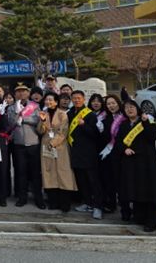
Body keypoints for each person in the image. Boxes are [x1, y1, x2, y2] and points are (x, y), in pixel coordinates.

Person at [114, 100, 156, 232]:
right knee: (136, 190)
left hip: (147, 162)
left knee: (150, 191)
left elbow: (154, 136)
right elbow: (119, 141)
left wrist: (146, 122)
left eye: (132, 107)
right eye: (126, 108)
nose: (129, 109)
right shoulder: (124, 124)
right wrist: (124, 149)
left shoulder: (146, 120)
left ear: (137, 108)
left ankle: (151, 221)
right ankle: (140, 216)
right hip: (131, 163)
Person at [37, 92, 77, 212]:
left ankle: (65, 203)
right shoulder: (43, 113)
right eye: (46, 100)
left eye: (51, 100)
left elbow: (63, 132)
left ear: (56, 101)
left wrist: (53, 143)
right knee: (49, 173)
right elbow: (40, 131)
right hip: (46, 146)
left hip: (60, 147)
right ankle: (53, 202)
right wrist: (42, 121)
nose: (48, 102)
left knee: (63, 173)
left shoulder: (62, 114)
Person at [7, 84, 46, 209]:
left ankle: (38, 198)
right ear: (15, 94)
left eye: (24, 91)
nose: (21, 94)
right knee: (21, 172)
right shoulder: (11, 108)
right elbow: (11, 122)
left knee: (35, 173)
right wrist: (18, 114)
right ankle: (22, 198)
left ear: (28, 93)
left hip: (33, 143)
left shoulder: (35, 106)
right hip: (19, 144)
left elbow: (37, 120)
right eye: (18, 92)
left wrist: (23, 117)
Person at [68, 90, 104, 220]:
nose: (76, 100)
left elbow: (95, 134)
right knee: (82, 181)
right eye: (74, 98)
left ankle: (98, 206)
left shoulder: (90, 114)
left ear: (83, 99)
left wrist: (83, 125)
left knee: (93, 181)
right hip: (75, 152)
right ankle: (87, 203)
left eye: (79, 98)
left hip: (89, 153)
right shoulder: (70, 113)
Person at [100, 95, 126, 215]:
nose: (111, 106)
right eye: (108, 104)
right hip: (109, 154)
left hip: (122, 153)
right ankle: (111, 204)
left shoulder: (124, 117)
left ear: (118, 103)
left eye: (113, 103)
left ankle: (125, 205)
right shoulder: (105, 119)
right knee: (109, 180)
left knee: (122, 181)